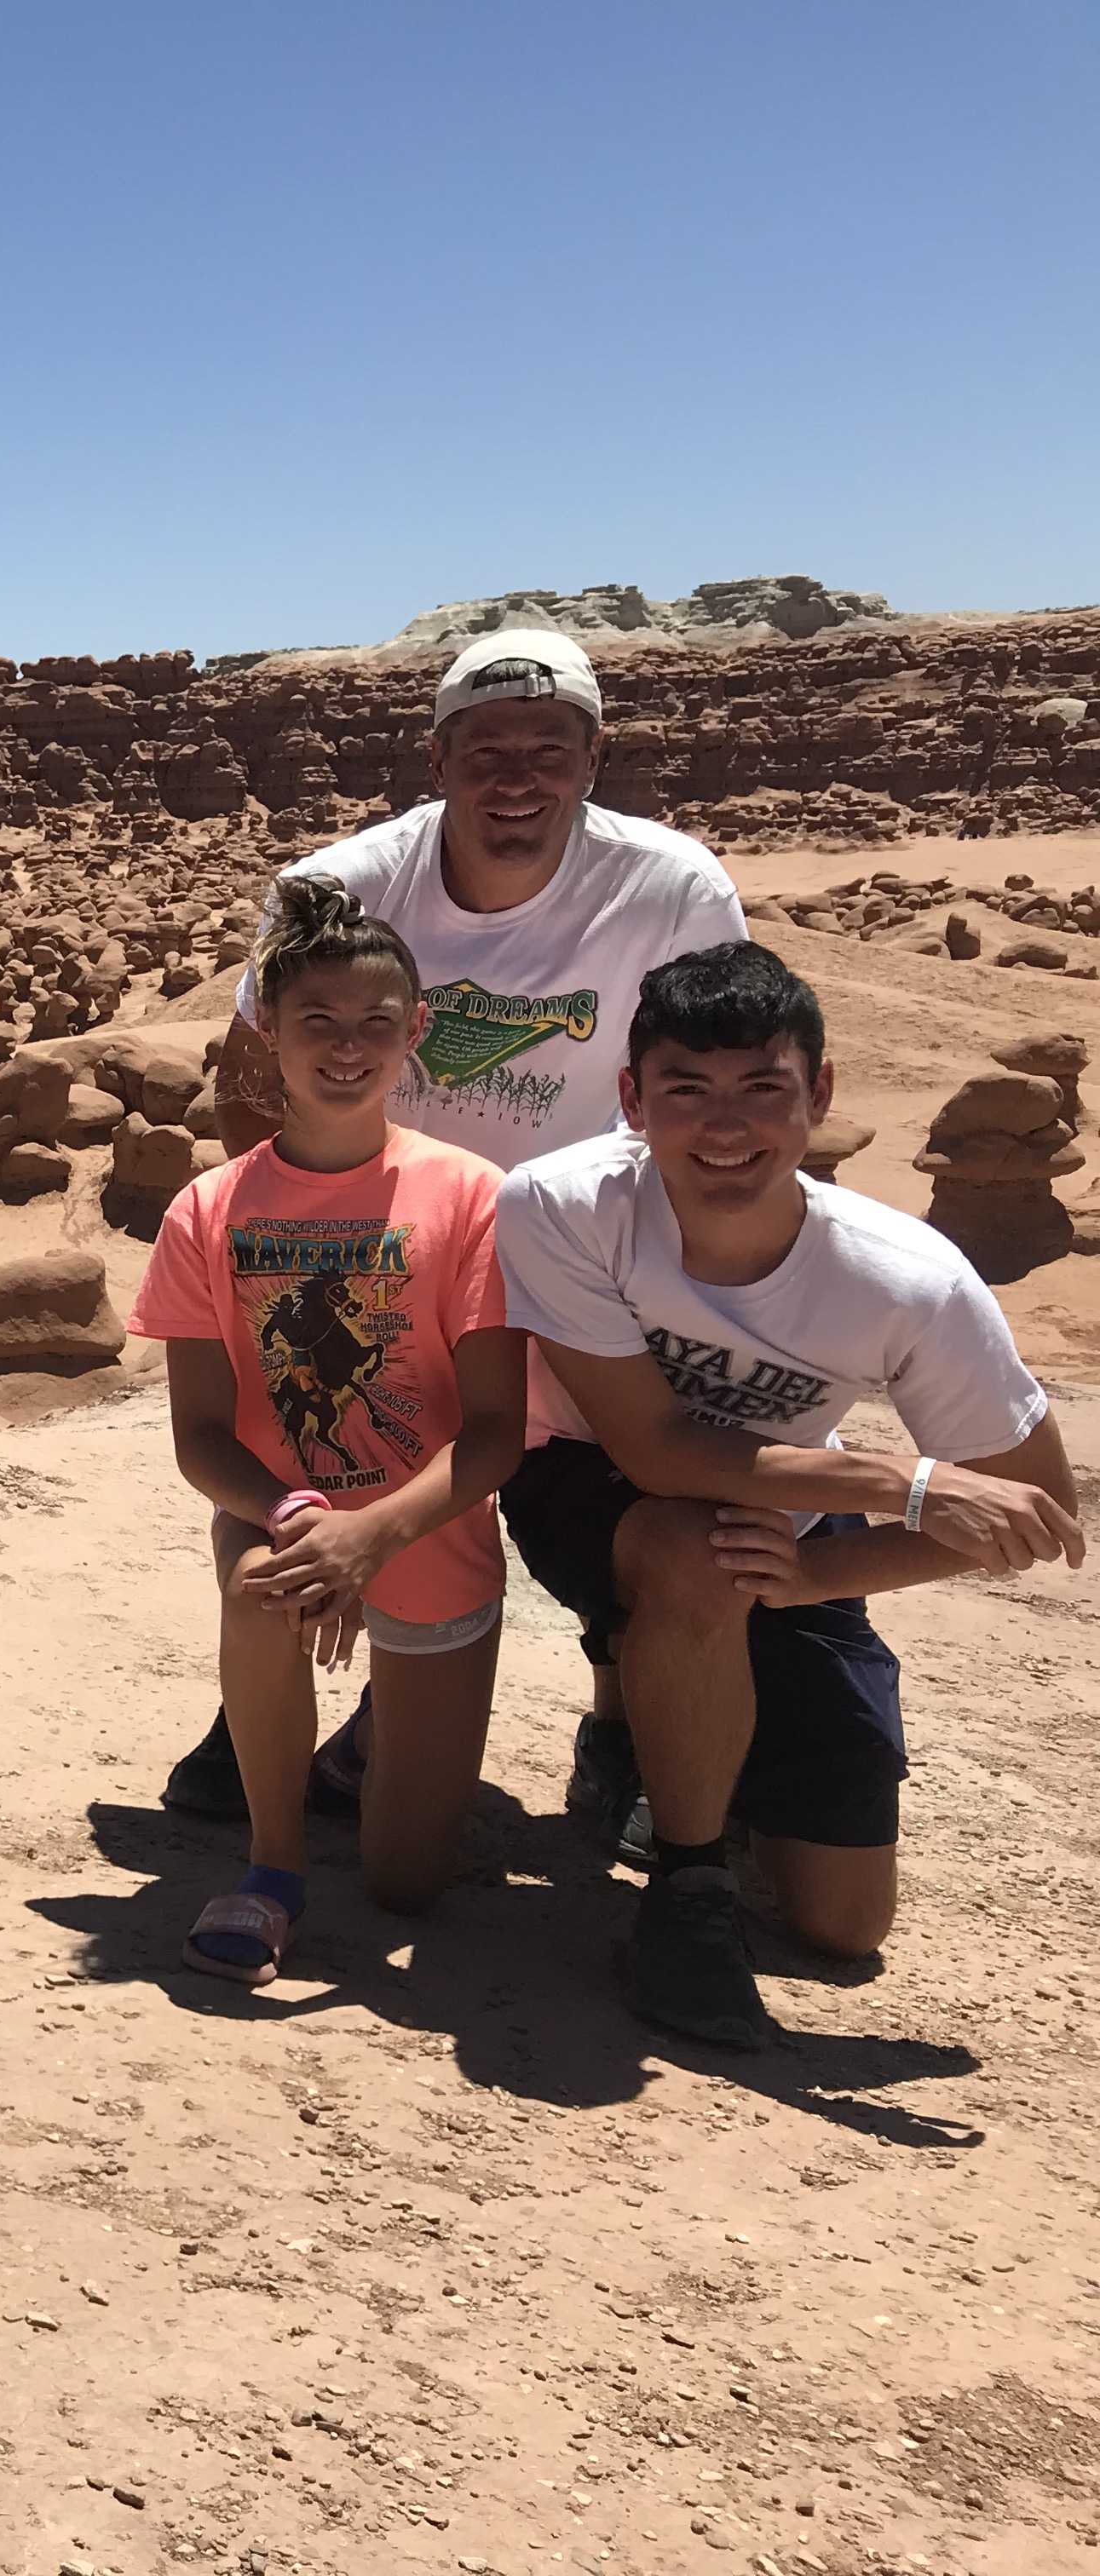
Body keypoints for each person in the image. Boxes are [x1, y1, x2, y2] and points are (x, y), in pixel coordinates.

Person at [163, 627, 750, 1833]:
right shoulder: (343, 886)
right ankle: (277, 1694)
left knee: (603, 1491)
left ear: (595, 756)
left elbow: (712, 1075)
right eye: (487, 750)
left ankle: (615, 1725)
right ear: (437, 759)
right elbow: (250, 1075)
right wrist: (287, 1251)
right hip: (391, 1242)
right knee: (341, 1448)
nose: (517, 778)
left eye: (549, 749)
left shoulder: (670, 889)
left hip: (587, 1249)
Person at [495, 941, 1081, 2046]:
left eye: (762, 1089)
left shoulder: (905, 1279)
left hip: (786, 1513)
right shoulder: (566, 1205)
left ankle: (688, 1728)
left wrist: (816, 1572)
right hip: (588, 1473)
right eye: (686, 1091)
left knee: (843, 1923)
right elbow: (658, 1451)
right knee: (694, 1549)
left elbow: (1033, 1504)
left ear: (818, 1094)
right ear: (632, 1100)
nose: (725, 1127)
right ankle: (689, 1885)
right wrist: (906, 1484)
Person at [133, 879, 527, 1982]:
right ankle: (274, 1868)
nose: (347, 1049)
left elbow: (496, 1433)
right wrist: (307, 1519)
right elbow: (202, 1438)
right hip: (287, 1520)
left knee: (407, 1884)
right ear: (268, 1026)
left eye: (374, 1024)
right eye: (317, 1021)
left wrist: (372, 1536)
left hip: (429, 1533)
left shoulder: (471, 1197)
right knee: (262, 1578)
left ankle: (361, 1746)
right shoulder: (208, 1213)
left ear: (416, 1030)